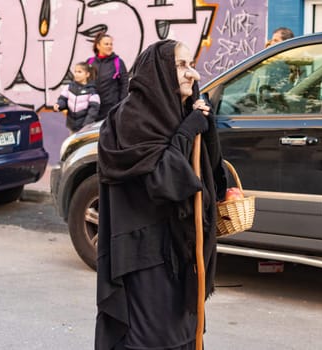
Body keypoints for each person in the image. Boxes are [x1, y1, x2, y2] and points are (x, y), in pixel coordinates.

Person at [95, 39, 227, 350]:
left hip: (179, 248)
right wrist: (186, 131)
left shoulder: (175, 113)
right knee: (152, 339)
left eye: (191, 65)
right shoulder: (130, 119)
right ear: (158, 70)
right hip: (143, 255)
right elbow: (163, 181)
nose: (192, 74)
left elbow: (210, 179)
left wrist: (204, 129)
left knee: (182, 333)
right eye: (182, 65)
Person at [88, 31, 129, 122]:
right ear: (98, 46)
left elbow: (125, 84)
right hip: (93, 111)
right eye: (106, 44)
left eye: (111, 44)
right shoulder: (90, 62)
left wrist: (120, 106)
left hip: (111, 111)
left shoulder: (118, 62)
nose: (109, 46)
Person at [53, 62, 100, 133]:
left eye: (79, 72)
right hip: (71, 126)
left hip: (84, 129)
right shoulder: (69, 87)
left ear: (87, 74)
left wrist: (86, 125)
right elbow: (63, 99)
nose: (76, 74)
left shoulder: (92, 92)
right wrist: (59, 105)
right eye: (75, 71)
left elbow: (93, 111)